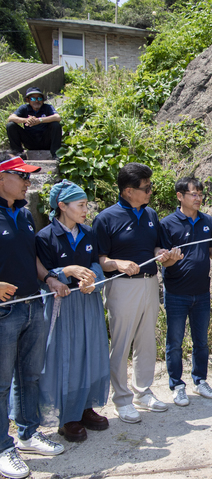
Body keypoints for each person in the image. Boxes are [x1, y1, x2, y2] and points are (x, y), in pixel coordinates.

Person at [92, 162, 181, 424]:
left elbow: (155, 247)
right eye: (147, 187)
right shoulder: (106, 218)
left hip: (150, 282)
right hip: (121, 286)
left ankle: (143, 392)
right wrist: (118, 264)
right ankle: (122, 399)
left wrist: (161, 254)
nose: (150, 191)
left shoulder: (151, 214)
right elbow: (99, 259)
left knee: (146, 340)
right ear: (129, 191)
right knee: (121, 342)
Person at [0, 152, 64, 479]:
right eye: (23, 177)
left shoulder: (24, 215)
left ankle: (27, 432)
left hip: (31, 305)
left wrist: (49, 278)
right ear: (1, 178)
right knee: (0, 383)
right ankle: (2, 447)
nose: (28, 182)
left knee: (29, 375)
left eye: (29, 177)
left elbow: (31, 257)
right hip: (3, 313)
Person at [35, 180, 112, 443]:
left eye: (86, 205)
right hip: (62, 307)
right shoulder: (44, 237)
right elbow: (42, 275)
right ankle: (67, 417)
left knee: (90, 351)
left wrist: (93, 278)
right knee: (65, 357)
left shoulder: (89, 233)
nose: (85, 210)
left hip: (87, 303)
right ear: (62, 206)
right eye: (80, 205)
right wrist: (65, 272)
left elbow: (95, 264)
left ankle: (86, 407)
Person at [160, 177, 212, 407]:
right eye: (194, 194)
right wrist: (171, 259)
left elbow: (211, 252)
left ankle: (200, 381)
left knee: (201, 341)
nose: (198, 198)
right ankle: (177, 385)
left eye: (201, 194)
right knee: (175, 342)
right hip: (176, 293)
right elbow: (163, 260)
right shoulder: (167, 224)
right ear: (180, 196)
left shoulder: (206, 220)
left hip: (201, 292)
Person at [6, 87, 62, 160]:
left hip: (45, 140)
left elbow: (58, 117)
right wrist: (26, 120)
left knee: (55, 124)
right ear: (28, 100)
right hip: (30, 141)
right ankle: (18, 154)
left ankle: (56, 154)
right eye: (33, 99)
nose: (36, 101)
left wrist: (39, 120)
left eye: (39, 98)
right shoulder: (24, 108)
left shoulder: (47, 107)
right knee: (11, 125)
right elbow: (11, 118)